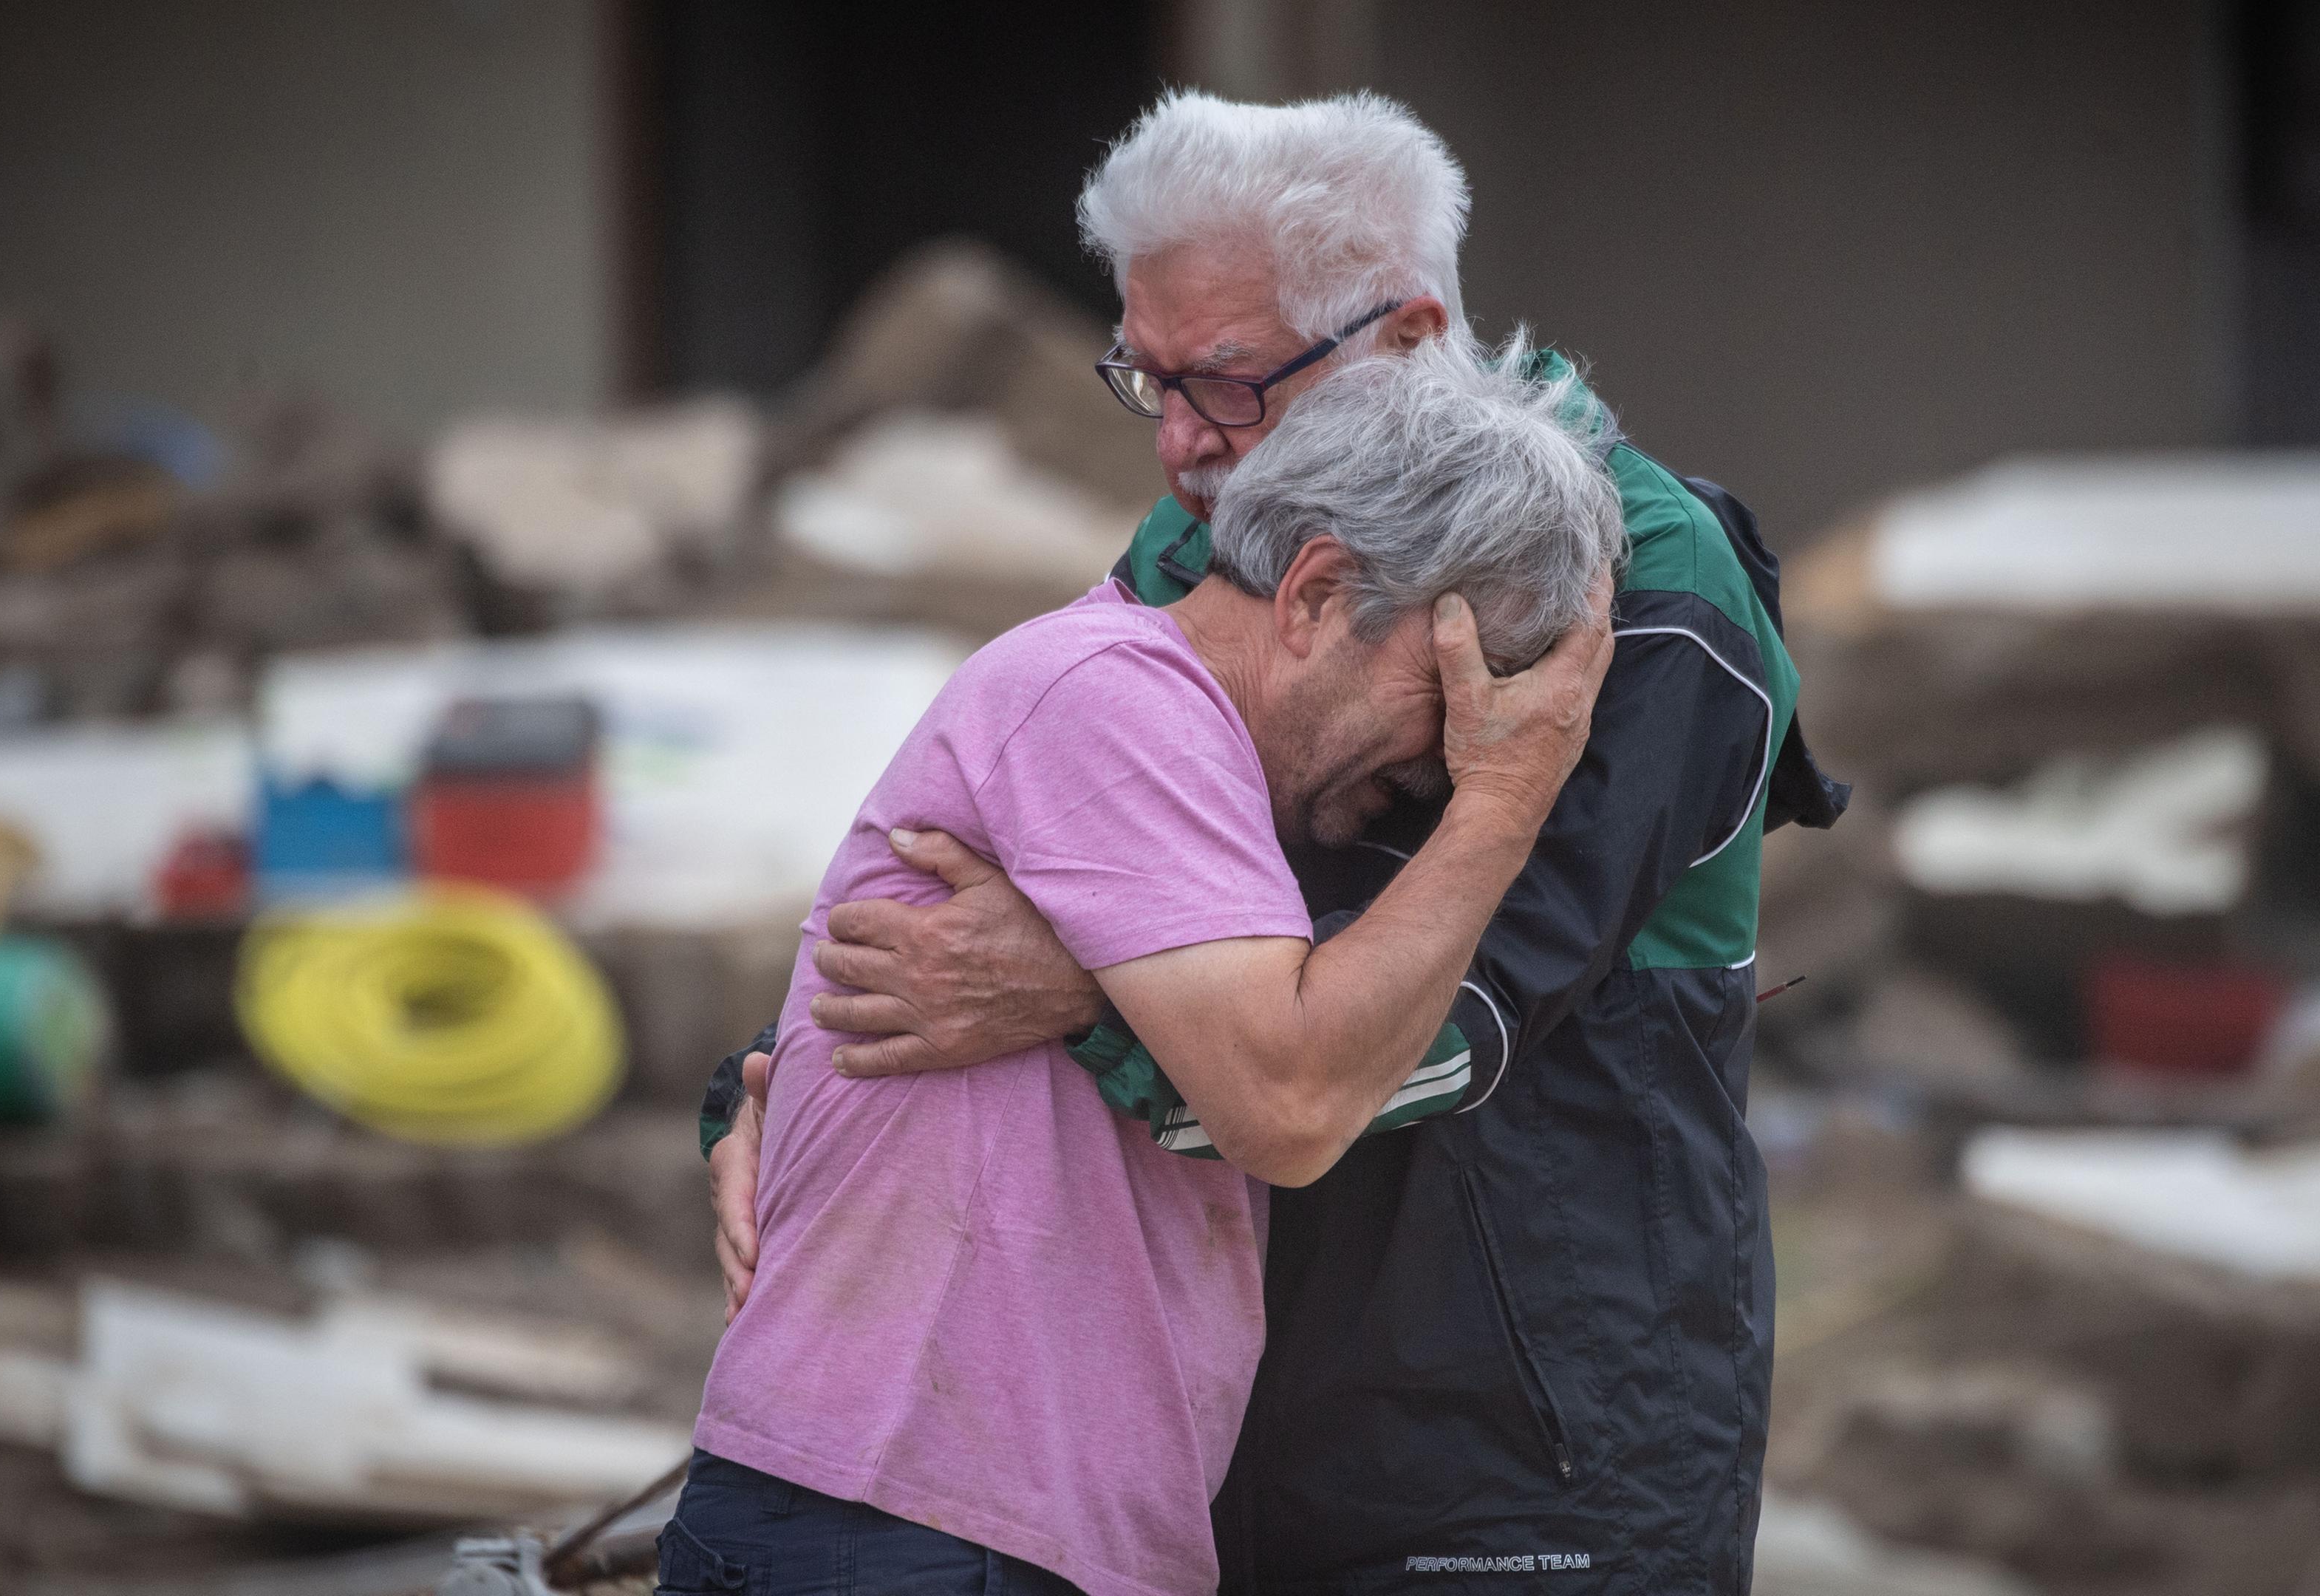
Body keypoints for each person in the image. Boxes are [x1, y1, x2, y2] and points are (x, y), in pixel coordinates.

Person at [703, 92, 1845, 1592]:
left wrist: (1077, 988)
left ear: (1411, 334)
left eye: (1229, 383)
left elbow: (1436, 1023)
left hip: (1540, 1464)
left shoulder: (1633, 584)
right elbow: (1049, 867)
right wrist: (786, 1087)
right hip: (1238, 1443)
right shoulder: (1216, 537)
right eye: (1147, 377)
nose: (1181, 443)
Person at [660, 341, 1622, 1596]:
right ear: (1317, 594)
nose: (1461, 744)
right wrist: (1509, 796)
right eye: (1451, 684)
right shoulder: (1115, 700)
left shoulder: (1171, 740)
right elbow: (1289, 1102)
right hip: (908, 1530)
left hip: (969, 1532)